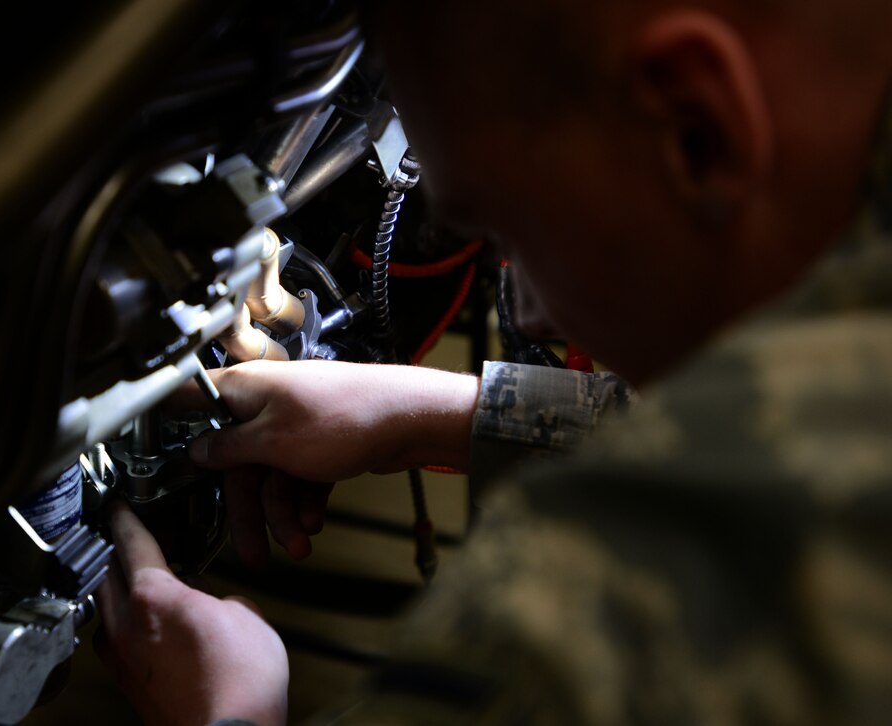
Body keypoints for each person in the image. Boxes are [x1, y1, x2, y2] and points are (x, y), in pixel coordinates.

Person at [95, 0, 892, 723]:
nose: (534, 315)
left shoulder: (582, 624)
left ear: (694, 127)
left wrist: (232, 712)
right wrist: (438, 417)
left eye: (513, 232)